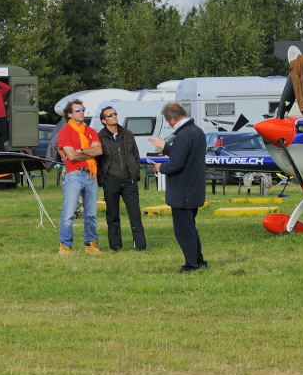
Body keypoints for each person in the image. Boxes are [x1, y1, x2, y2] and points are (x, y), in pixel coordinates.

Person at [149, 103, 207, 273]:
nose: (169, 124)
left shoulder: (183, 135)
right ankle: (198, 261)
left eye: (169, 122)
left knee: (183, 231)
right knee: (190, 228)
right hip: (194, 188)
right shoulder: (197, 131)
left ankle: (191, 264)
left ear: (173, 119)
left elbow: (176, 164)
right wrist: (165, 147)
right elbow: (185, 154)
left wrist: (161, 167)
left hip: (183, 191)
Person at [96, 106, 147, 252]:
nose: (114, 116)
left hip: (129, 179)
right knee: (112, 214)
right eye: (110, 115)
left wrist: (135, 172)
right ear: (103, 120)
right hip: (111, 179)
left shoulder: (128, 134)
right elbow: (98, 160)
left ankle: (140, 244)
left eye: (115, 114)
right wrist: (103, 178)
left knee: (135, 213)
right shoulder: (100, 137)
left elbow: (135, 155)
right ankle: (115, 245)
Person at [57, 99, 102, 255]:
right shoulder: (65, 132)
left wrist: (81, 151)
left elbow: (99, 151)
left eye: (83, 110)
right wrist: (89, 151)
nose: (82, 112)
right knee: (69, 213)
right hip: (74, 175)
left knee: (91, 213)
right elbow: (71, 156)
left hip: (91, 175)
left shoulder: (91, 131)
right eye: (78, 110)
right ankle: (65, 246)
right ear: (70, 114)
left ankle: (91, 244)